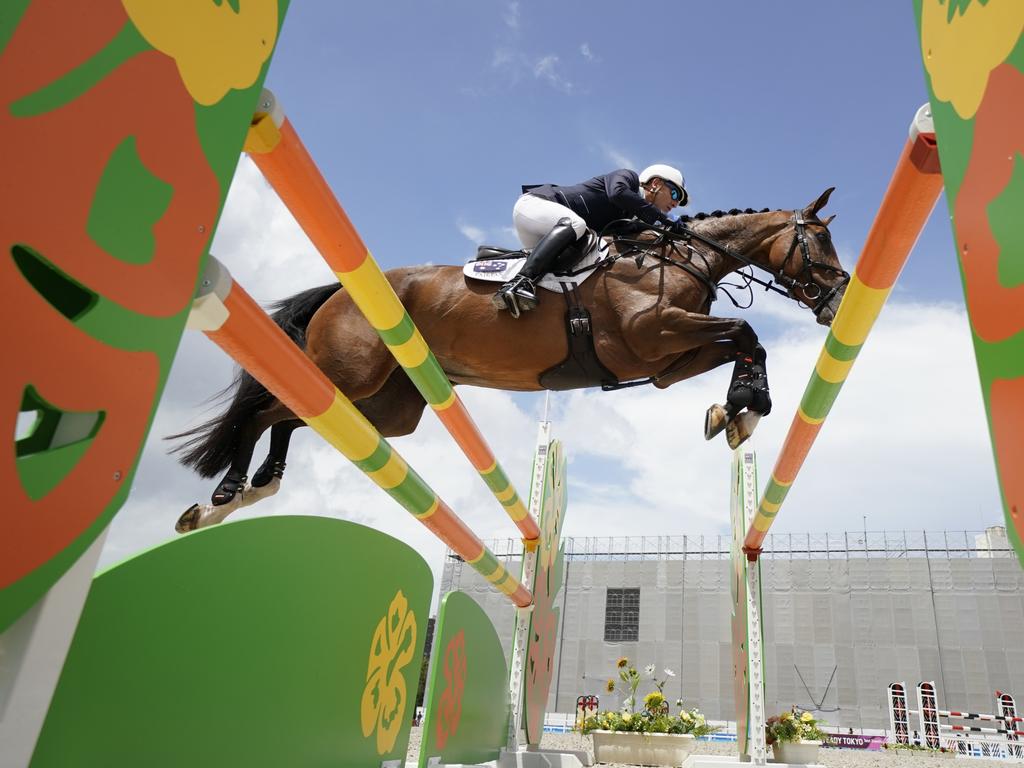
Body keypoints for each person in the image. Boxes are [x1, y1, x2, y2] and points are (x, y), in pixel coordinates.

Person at [493, 164, 689, 316]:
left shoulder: (628, 215)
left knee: (566, 268)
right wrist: (664, 219)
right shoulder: (628, 178)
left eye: (678, 202)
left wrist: (669, 230)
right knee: (578, 226)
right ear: (656, 183)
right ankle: (519, 283)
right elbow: (617, 193)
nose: (675, 203)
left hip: (547, 232)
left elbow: (628, 232)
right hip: (536, 206)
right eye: (675, 193)